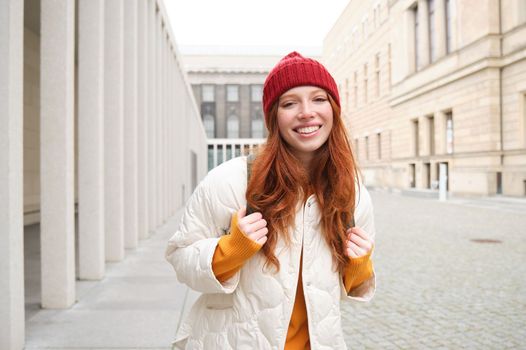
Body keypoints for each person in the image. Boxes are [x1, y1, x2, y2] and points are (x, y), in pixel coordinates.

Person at [165, 51, 376, 350]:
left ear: (334, 109)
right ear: (274, 116)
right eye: (290, 103)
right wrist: (231, 249)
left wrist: (359, 264)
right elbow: (180, 257)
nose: (306, 112)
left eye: (318, 99)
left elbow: (349, 287)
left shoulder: (351, 192)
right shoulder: (231, 180)